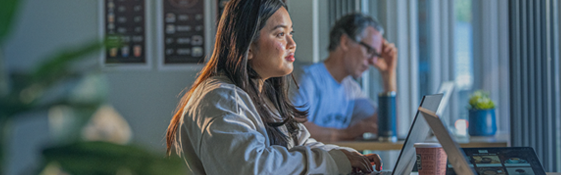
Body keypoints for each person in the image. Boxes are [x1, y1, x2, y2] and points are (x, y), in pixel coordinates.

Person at [165, 0, 382, 174]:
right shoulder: (221, 98)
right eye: (280, 34)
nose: (292, 43)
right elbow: (254, 169)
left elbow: (303, 142)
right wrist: (335, 162)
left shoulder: (262, 97)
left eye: (291, 33)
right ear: (248, 46)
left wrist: (347, 157)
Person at [290, 13, 398, 142]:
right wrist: (347, 133)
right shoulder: (308, 78)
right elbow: (294, 129)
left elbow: (387, 129)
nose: (373, 61)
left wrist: (388, 75)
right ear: (345, 42)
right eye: (369, 51)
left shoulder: (351, 89)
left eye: (376, 55)